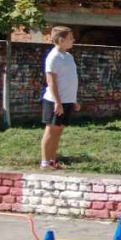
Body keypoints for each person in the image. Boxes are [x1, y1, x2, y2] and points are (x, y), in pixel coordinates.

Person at [40, 25, 79, 169]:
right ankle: (45, 162)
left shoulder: (68, 56)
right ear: (61, 40)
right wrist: (58, 103)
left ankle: (52, 161)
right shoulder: (53, 57)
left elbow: (69, 79)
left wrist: (73, 100)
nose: (73, 40)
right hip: (55, 101)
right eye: (70, 38)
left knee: (58, 131)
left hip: (68, 100)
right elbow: (51, 82)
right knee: (51, 130)